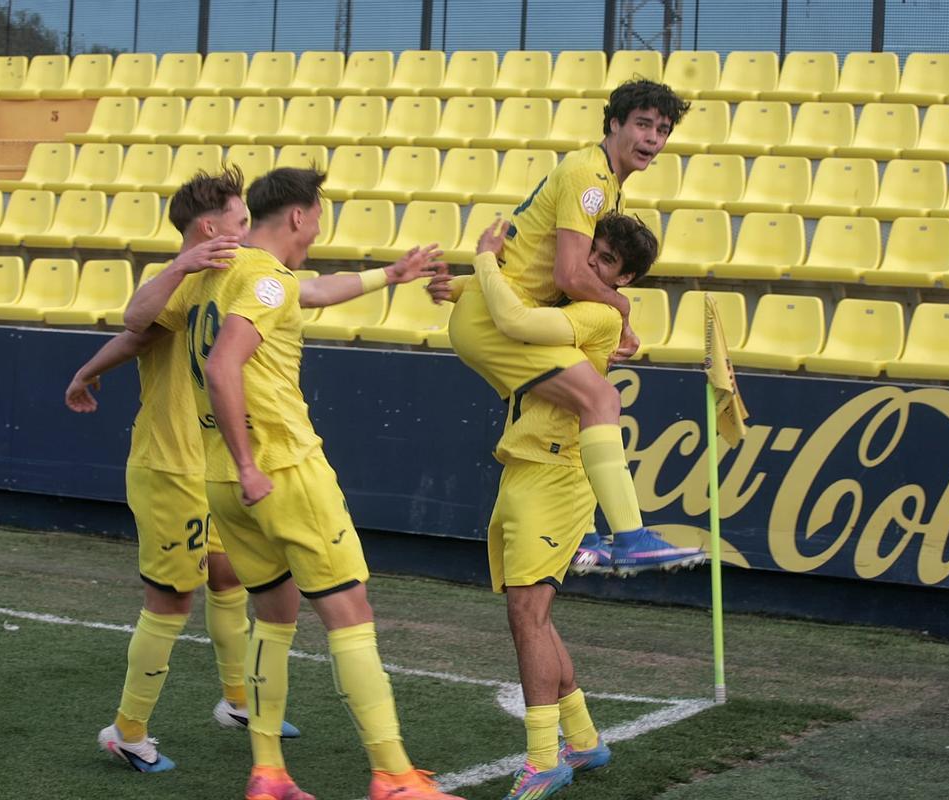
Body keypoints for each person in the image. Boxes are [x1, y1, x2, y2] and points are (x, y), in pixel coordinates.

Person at [145, 167, 464, 800]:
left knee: (275, 614)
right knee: (351, 611)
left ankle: (268, 773)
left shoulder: (219, 273)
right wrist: (250, 463)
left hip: (220, 480)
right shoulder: (265, 279)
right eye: (317, 215)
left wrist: (390, 274)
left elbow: (309, 291)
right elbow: (224, 365)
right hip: (281, 468)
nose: (318, 227)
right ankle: (394, 775)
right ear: (298, 215)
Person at [65, 168, 301, 774]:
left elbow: (135, 340)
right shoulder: (176, 279)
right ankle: (127, 730)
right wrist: (181, 266)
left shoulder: (233, 278)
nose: (249, 229)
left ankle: (238, 700)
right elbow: (135, 324)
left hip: (208, 461)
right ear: (210, 228)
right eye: (241, 220)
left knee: (227, 575)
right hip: (168, 466)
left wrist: (87, 372)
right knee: (171, 600)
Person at [445, 80, 704, 576]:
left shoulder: (603, 180)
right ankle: (630, 538)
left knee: (581, 412)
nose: (653, 138)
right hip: (500, 319)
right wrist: (621, 308)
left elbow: (532, 262)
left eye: (663, 130)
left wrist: (461, 285)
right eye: (643, 125)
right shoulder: (590, 177)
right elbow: (568, 275)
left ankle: (585, 539)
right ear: (614, 124)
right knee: (600, 400)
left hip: (499, 310)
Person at [471, 213, 670, 798]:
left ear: (624, 279)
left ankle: (542, 759)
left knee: (527, 616)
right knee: (531, 614)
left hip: (556, 475)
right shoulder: (576, 303)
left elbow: (514, 319)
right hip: (527, 466)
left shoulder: (597, 313)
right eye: (592, 250)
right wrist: (458, 287)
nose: (591, 263)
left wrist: (483, 260)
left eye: (607, 261)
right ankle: (582, 739)